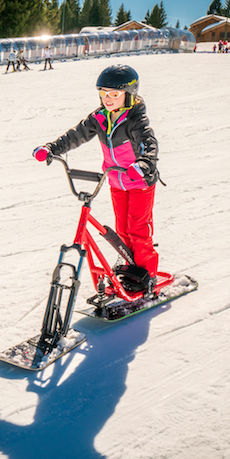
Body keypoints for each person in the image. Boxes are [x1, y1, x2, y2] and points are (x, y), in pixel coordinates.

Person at [32, 65, 161, 295]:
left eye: (113, 94)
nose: (107, 99)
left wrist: (144, 164)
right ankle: (131, 270)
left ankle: (147, 276)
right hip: (115, 181)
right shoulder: (99, 117)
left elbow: (148, 144)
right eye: (103, 93)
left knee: (138, 229)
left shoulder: (136, 120)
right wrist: (53, 148)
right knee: (122, 230)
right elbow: (76, 134)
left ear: (128, 94)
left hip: (139, 182)